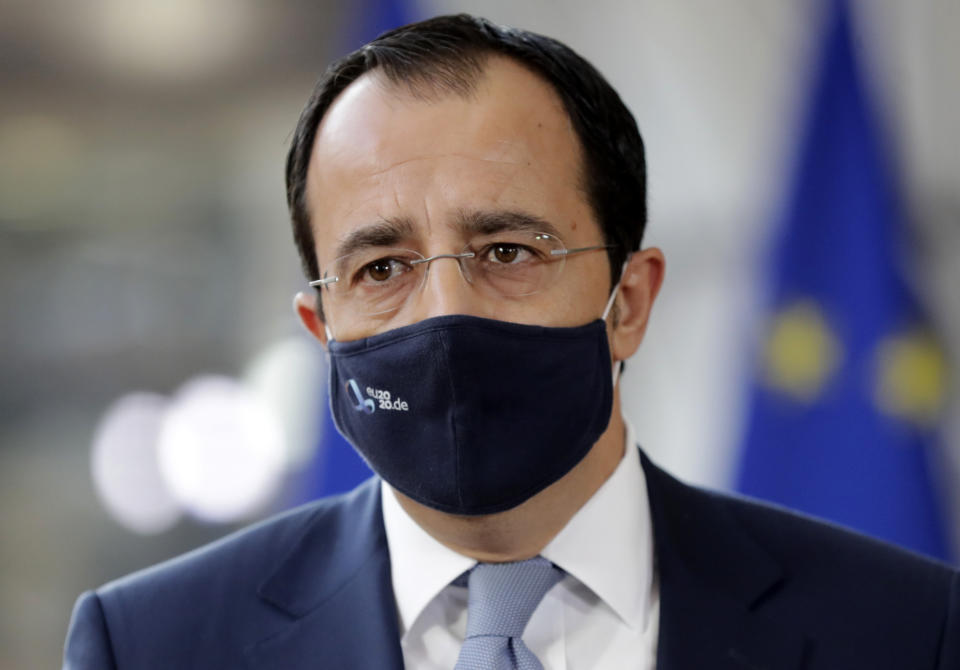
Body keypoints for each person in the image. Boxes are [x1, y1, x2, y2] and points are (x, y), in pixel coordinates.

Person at [64, 14, 958, 670]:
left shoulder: (904, 630)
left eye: (507, 251)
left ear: (630, 300)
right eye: (381, 268)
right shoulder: (151, 645)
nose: (445, 314)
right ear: (320, 329)